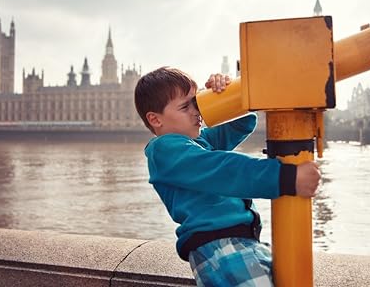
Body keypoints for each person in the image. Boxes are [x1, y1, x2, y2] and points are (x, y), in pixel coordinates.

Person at [134, 67, 321, 287]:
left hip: (240, 242)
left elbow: (243, 123)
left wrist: (224, 94)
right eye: (186, 106)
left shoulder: (198, 142)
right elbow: (223, 169)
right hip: (219, 246)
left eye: (197, 103)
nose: (197, 112)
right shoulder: (165, 150)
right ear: (155, 120)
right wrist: (286, 177)